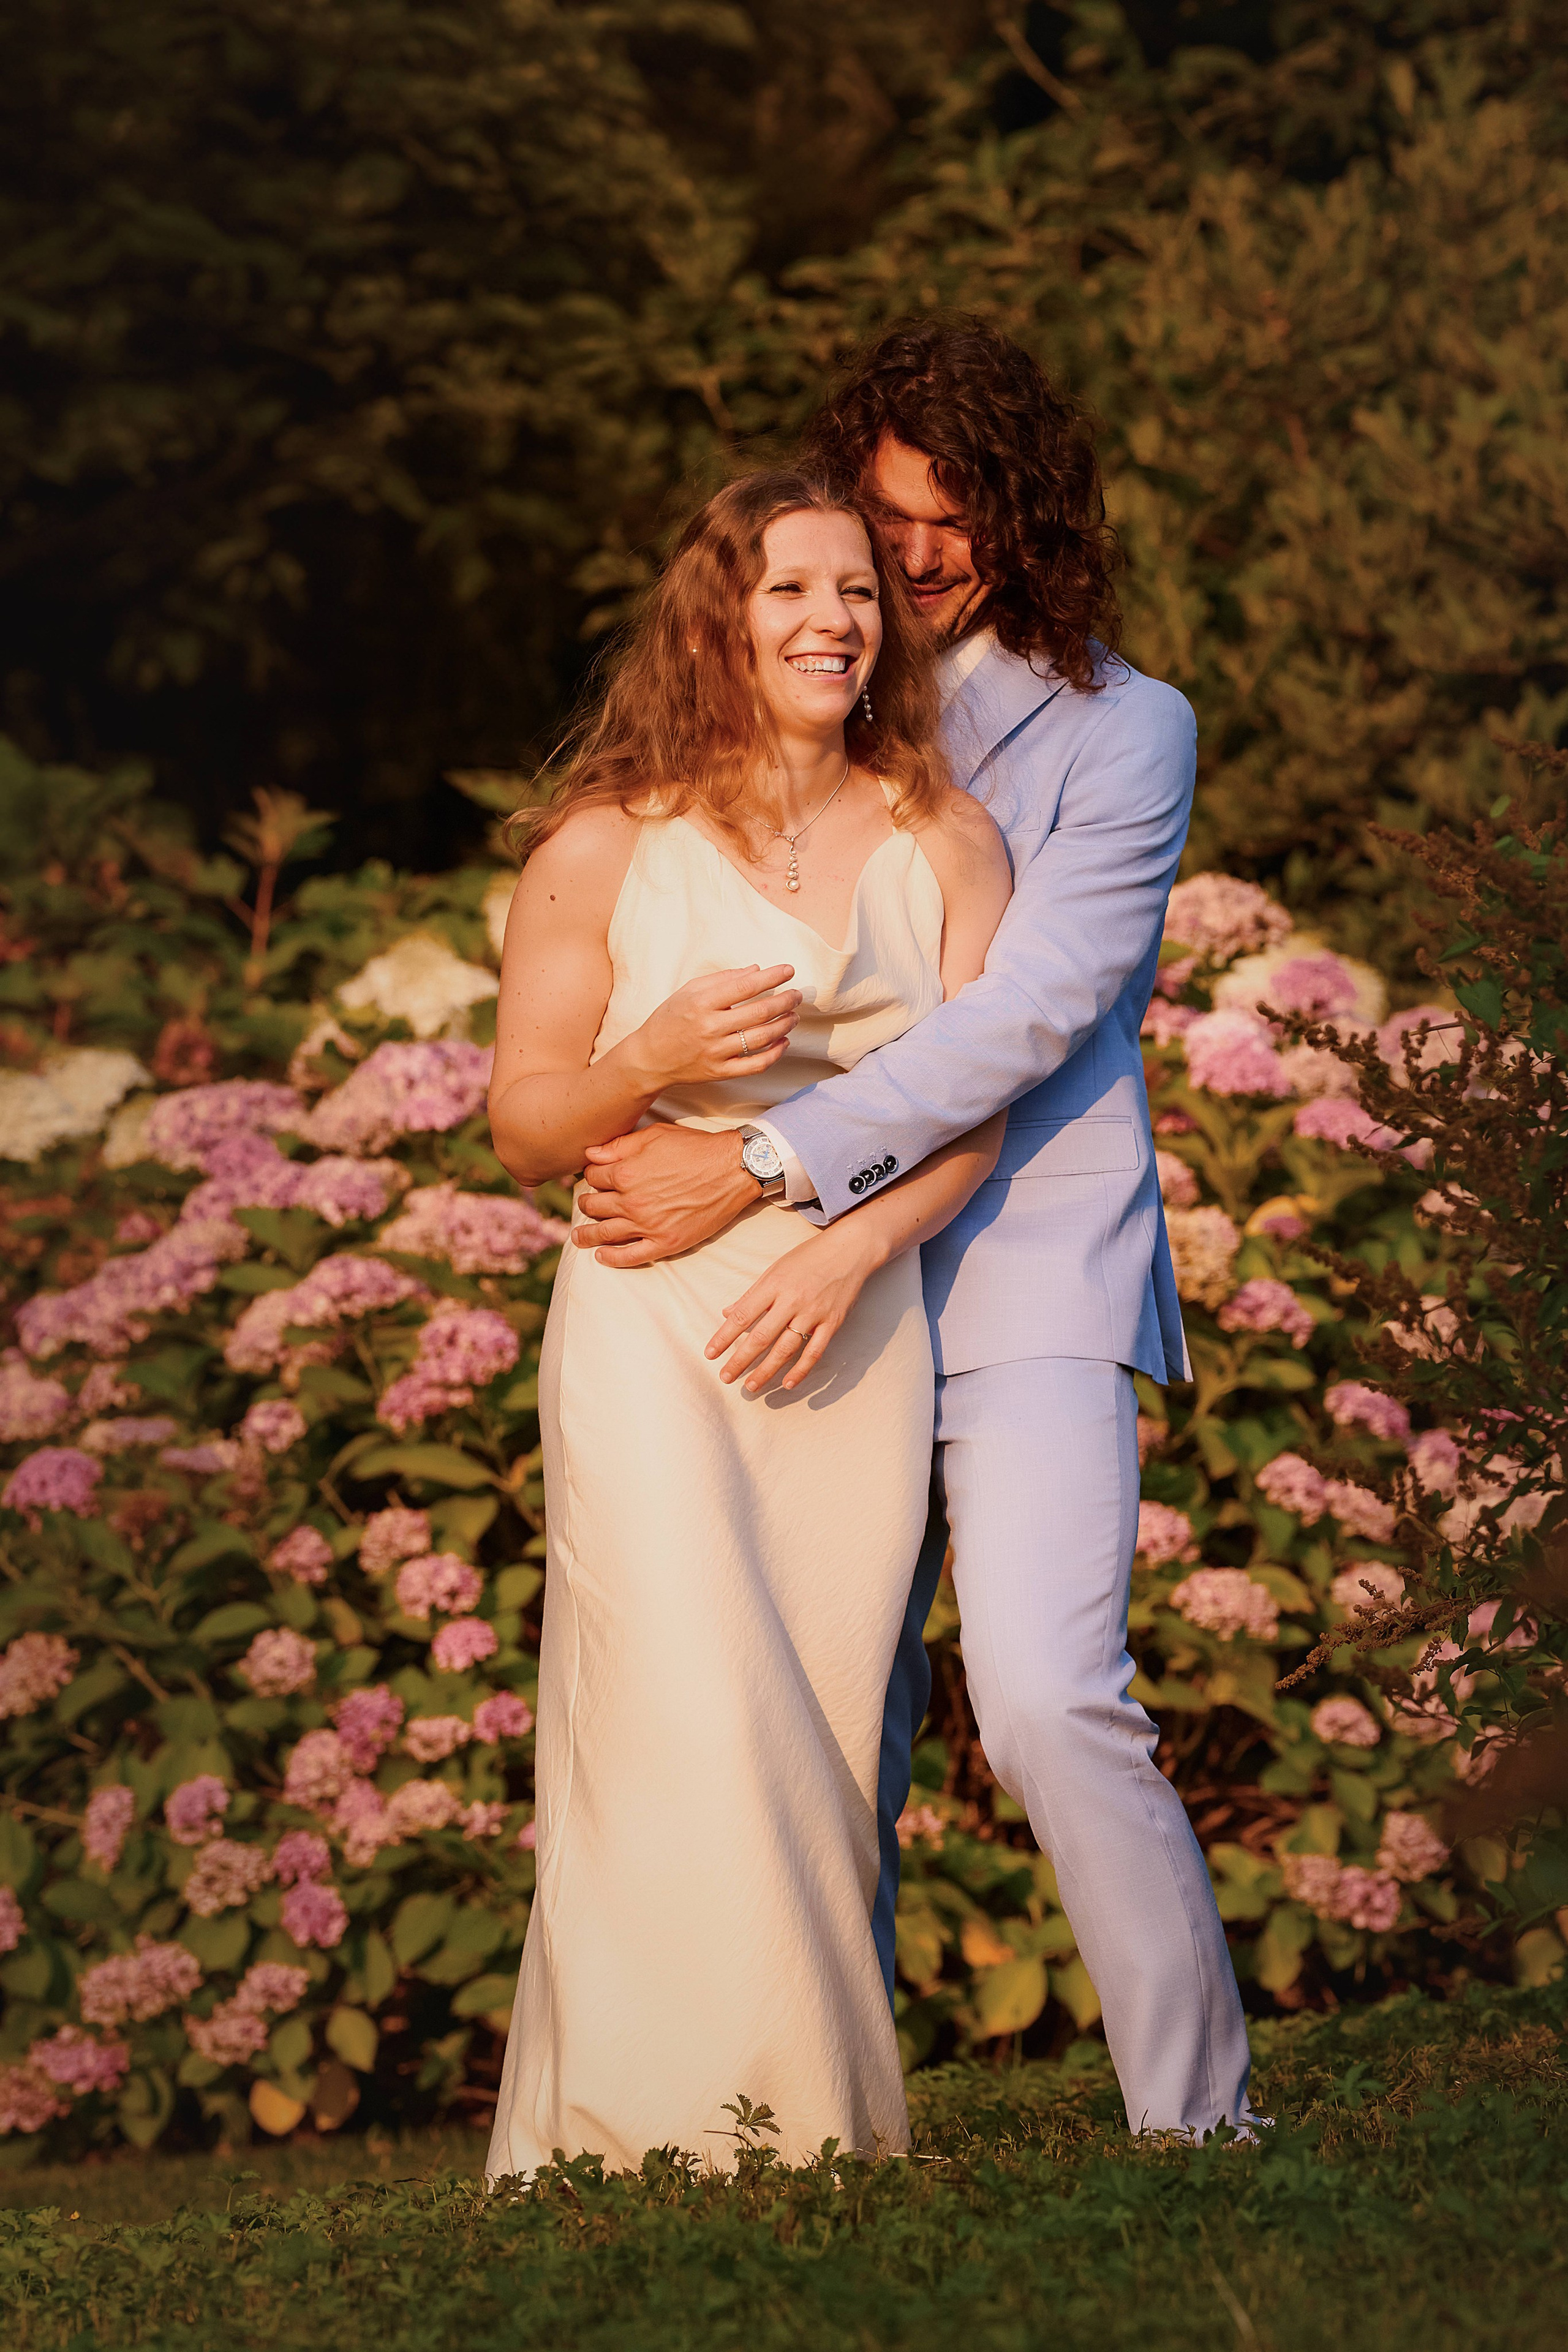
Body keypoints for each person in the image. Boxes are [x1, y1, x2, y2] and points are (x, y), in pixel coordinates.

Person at [568, 318, 1264, 2141]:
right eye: (889, 517)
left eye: (961, 516)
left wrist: (775, 1169)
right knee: (816, 1718)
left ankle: (1203, 2123)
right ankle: (817, 2125)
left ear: (1029, 516)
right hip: (782, 1298)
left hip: (1024, 1258)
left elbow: (1030, 1017)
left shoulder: (1127, 728)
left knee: (1044, 1695)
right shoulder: (800, 697)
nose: (922, 553)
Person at [483, 467, 1012, 2179]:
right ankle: (646, 2133)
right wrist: (649, 1060)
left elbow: (976, 1118)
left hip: (849, 1319)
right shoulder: (603, 847)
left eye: (858, 590)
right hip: (651, 1317)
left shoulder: (946, 841)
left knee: (821, 1717)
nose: (834, 620)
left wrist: (850, 1253)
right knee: (681, 1698)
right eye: (791, 588)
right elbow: (526, 1124)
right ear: (717, 619)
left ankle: (807, 2126)